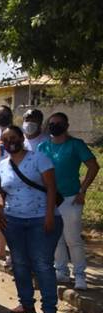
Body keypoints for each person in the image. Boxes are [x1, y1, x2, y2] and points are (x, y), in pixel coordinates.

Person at [0, 126, 62, 313]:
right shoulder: (2, 165)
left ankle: (49, 311)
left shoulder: (39, 158)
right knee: (19, 263)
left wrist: (49, 215)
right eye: (6, 139)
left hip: (41, 219)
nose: (10, 142)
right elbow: (1, 190)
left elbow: (51, 187)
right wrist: (0, 207)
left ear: (21, 138)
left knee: (42, 264)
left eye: (14, 137)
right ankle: (26, 303)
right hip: (13, 221)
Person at [38, 113, 99, 290]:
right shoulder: (43, 146)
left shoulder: (76, 145)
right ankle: (61, 271)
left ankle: (79, 275)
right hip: (50, 199)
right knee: (55, 238)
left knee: (72, 239)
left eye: (59, 123)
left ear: (66, 125)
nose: (55, 126)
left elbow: (93, 166)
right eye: (51, 123)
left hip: (70, 198)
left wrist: (83, 190)